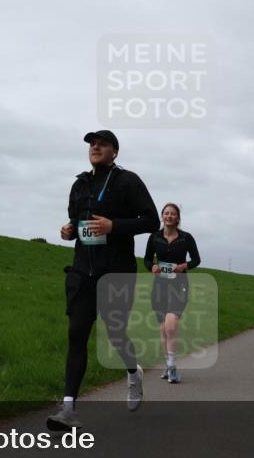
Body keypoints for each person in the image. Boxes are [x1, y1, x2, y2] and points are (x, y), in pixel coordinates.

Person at [47, 130, 159, 431]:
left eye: (102, 144)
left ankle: (133, 373)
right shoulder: (80, 184)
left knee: (115, 333)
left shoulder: (128, 181)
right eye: (92, 144)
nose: (95, 147)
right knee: (76, 333)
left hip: (116, 271)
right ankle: (68, 409)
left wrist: (114, 226)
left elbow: (151, 221)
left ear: (115, 151)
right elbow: (77, 220)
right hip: (83, 271)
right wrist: (69, 230)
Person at [143, 203, 201, 384]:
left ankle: (173, 367)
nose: (169, 216)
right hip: (160, 286)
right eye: (166, 213)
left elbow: (196, 260)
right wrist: (151, 266)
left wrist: (184, 266)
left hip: (179, 285)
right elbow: (146, 259)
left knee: (170, 325)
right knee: (163, 329)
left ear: (177, 218)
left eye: (173, 214)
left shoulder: (186, 238)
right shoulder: (154, 237)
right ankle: (168, 365)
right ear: (162, 217)